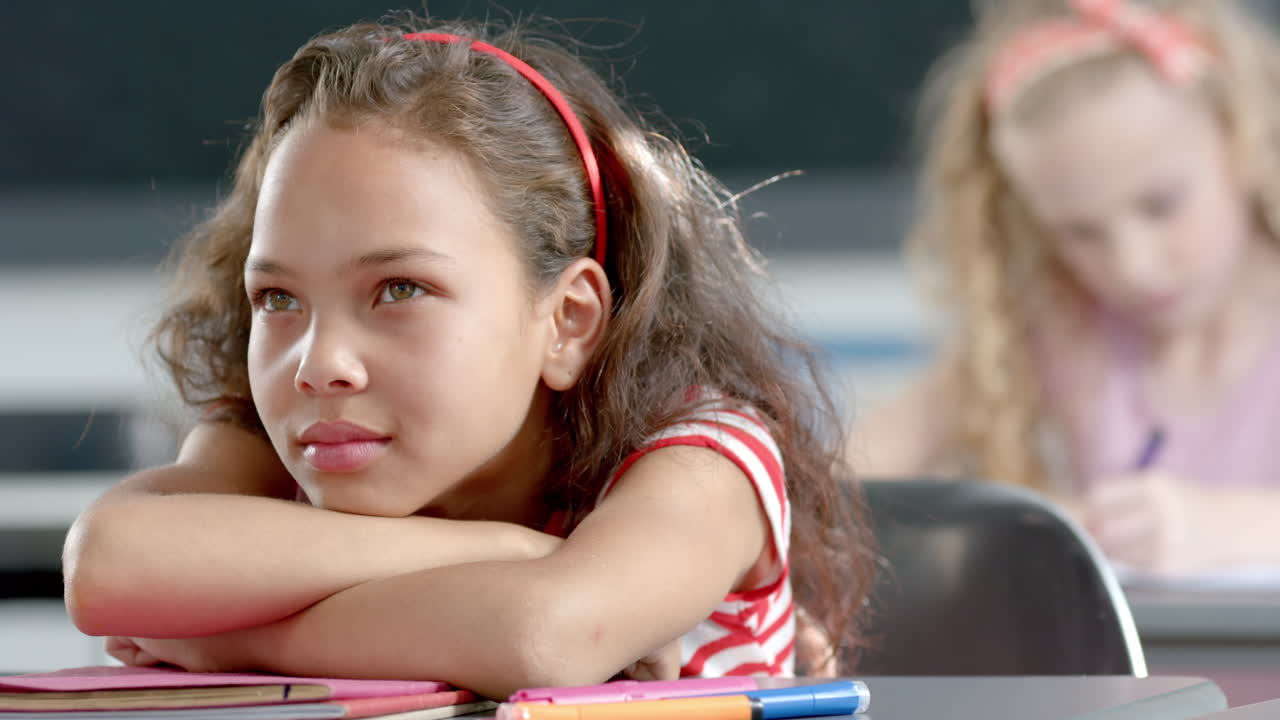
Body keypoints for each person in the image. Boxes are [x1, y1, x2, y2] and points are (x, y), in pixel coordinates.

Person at [61, 15, 872, 697]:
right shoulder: (289, 442)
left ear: (567, 320)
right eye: (279, 299)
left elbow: (545, 633)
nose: (319, 364)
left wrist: (229, 641)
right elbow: (109, 564)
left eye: (399, 289)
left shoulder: (704, 459)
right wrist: (501, 552)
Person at [850, 0, 1280, 579]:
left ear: (1246, 137)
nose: (1134, 267)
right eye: (1079, 232)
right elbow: (845, 476)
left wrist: (1232, 526)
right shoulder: (1063, 331)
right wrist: (1038, 525)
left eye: (1162, 204)